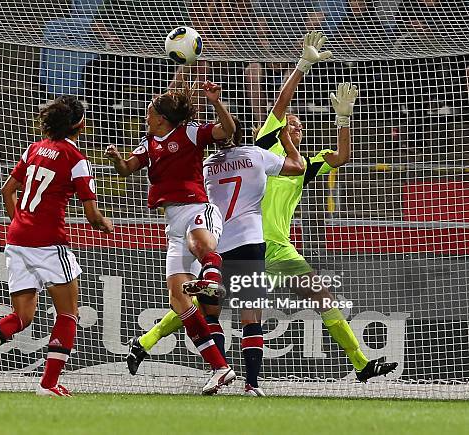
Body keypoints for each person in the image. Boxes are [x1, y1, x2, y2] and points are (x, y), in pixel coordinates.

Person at [125, 32, 398, 393]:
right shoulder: (262, 147)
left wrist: (342, 121)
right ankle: (157, 346)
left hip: (275, 248)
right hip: (248, 241)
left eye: (300, 126)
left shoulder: (299, 164)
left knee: (312, 297)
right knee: (217, 308)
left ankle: (361, 363)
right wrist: (301, 67)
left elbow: (340, 158)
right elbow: (281, 104)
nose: (296, 126)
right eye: (291, 123)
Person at [124, 113, 305, 396]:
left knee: (209, 314)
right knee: (251, 316)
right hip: (249, 241)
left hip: (214, 243)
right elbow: (297, 167)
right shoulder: (257, 155)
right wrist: (286, 142)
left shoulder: (207, 165)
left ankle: (218, 372)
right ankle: (252, 385)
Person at [0, 95, 113, 396]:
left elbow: (6, 191)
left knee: (22, 317)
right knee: (68, 314)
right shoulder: (76, 160)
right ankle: (48, 384)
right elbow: (91, 214)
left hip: (17, 241)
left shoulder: (33, 149)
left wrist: (23, 224)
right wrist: (104, 224)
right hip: (49, 244)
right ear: (80, 125)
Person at [105, 80, 237, 395]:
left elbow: (227, 130)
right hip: (171, 222)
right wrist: (115, 159)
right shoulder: (148, 143)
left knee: (200, 244)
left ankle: (210, 280)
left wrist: (216, 102)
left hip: (196, 208)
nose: (146, 113)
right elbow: (127, 169)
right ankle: (220, 368)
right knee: (179, 299)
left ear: (161, 116)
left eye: (150, 110)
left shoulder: (190, 133)